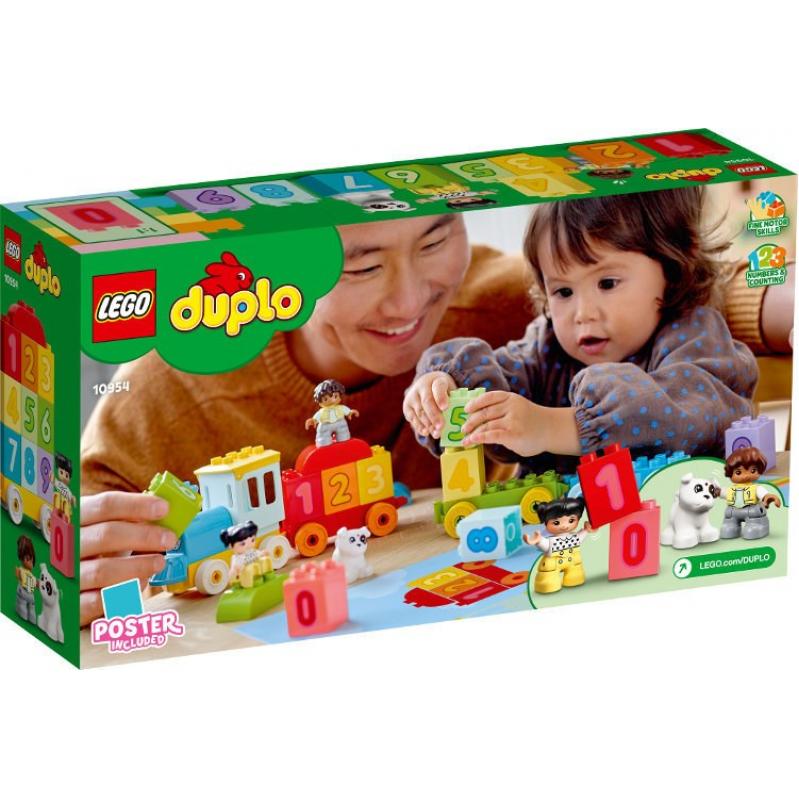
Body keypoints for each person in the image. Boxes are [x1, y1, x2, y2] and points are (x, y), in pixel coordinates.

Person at [78, 214, 531, 626]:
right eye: (362, 268)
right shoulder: (167, 387)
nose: (407, 302)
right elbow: (75, 550)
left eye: (434, 242)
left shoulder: (537, 304)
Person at [404, 188, 760, 477]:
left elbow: (691, 415)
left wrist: (549, 427)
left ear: (672, 266)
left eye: (607, 283)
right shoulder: (545, 348)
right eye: (563, 291)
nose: (583, 313)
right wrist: (446, 388)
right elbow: (497, 380)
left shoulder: (694, 335)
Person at [524, 497, 592, 593]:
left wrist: (586, 530)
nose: (564, 526)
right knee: (548, 581)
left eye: (571, 520)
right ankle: (548, 585)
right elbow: (546, 546)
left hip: (572, 562)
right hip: (552, 564)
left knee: (575, 575)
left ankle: (574, 579)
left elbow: (579, 539)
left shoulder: (573, 537)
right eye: (556, 522)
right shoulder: (551, 541)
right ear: (546, 522)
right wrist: (538, 540)